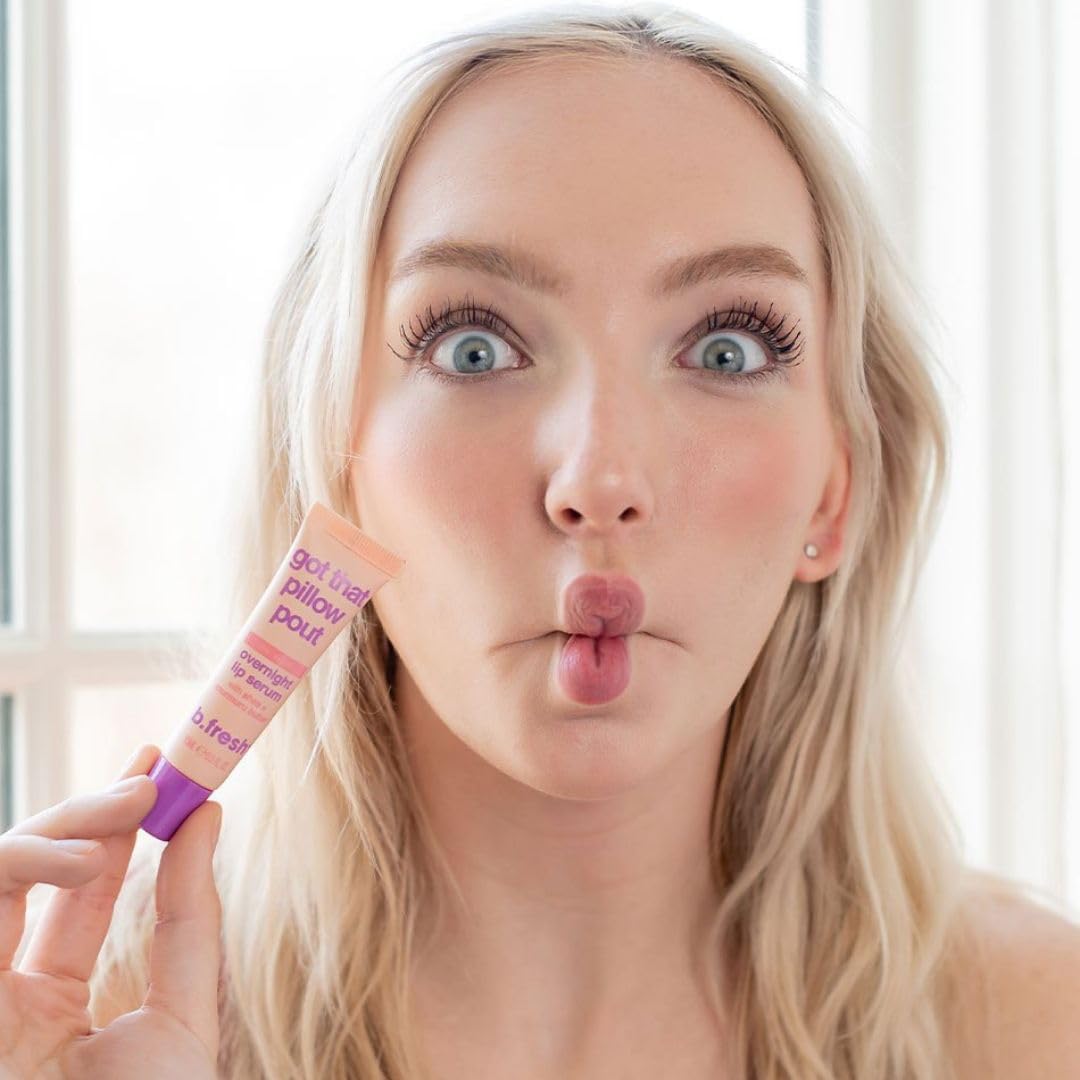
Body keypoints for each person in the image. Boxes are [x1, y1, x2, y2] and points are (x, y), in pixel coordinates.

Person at [6, 4, 1080, 1078]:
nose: (600, 482)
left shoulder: (1032, 1025)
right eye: (473, 348)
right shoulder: (88, 1033)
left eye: (728, 348)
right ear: (338, 467)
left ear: (832, 496)